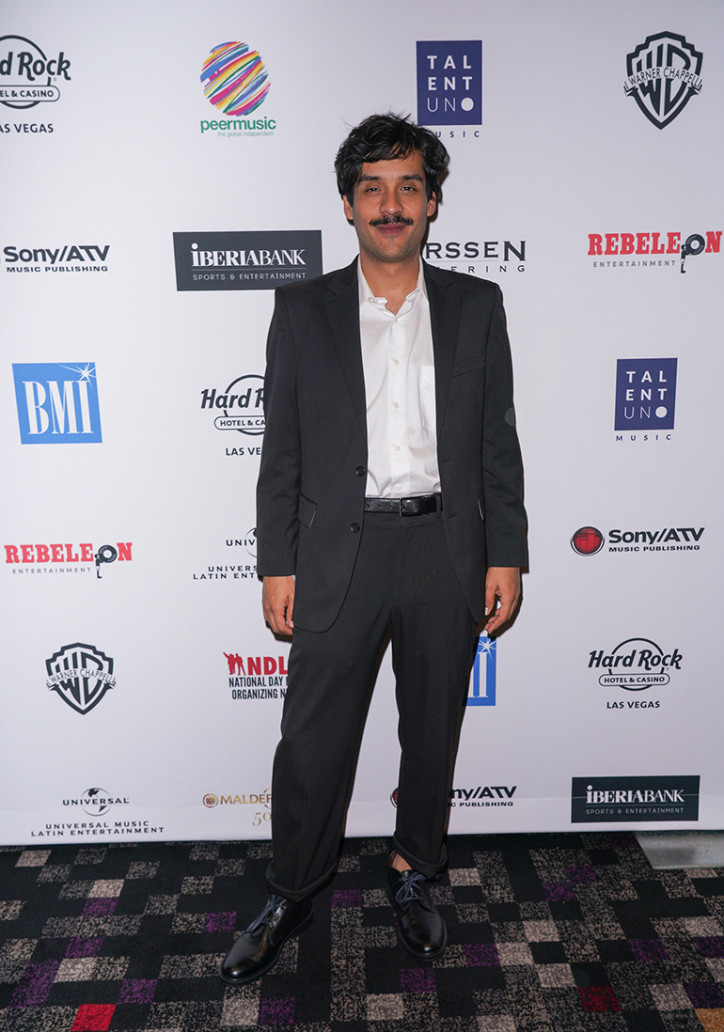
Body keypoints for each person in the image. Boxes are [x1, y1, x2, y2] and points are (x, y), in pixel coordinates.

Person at [220, 113, 527, 985]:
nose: (391, 204)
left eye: (408, 187)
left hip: (445, 548)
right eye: (372, 189)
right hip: (335, 557)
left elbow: (497, 441)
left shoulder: (477, 305)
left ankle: (414, 868)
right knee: (312, 741)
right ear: (349, 204)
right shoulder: (302, 310)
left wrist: (507, 551)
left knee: (432, 731)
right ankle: (291, 888)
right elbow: (281, 451)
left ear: (432, 202)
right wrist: (276, 563)